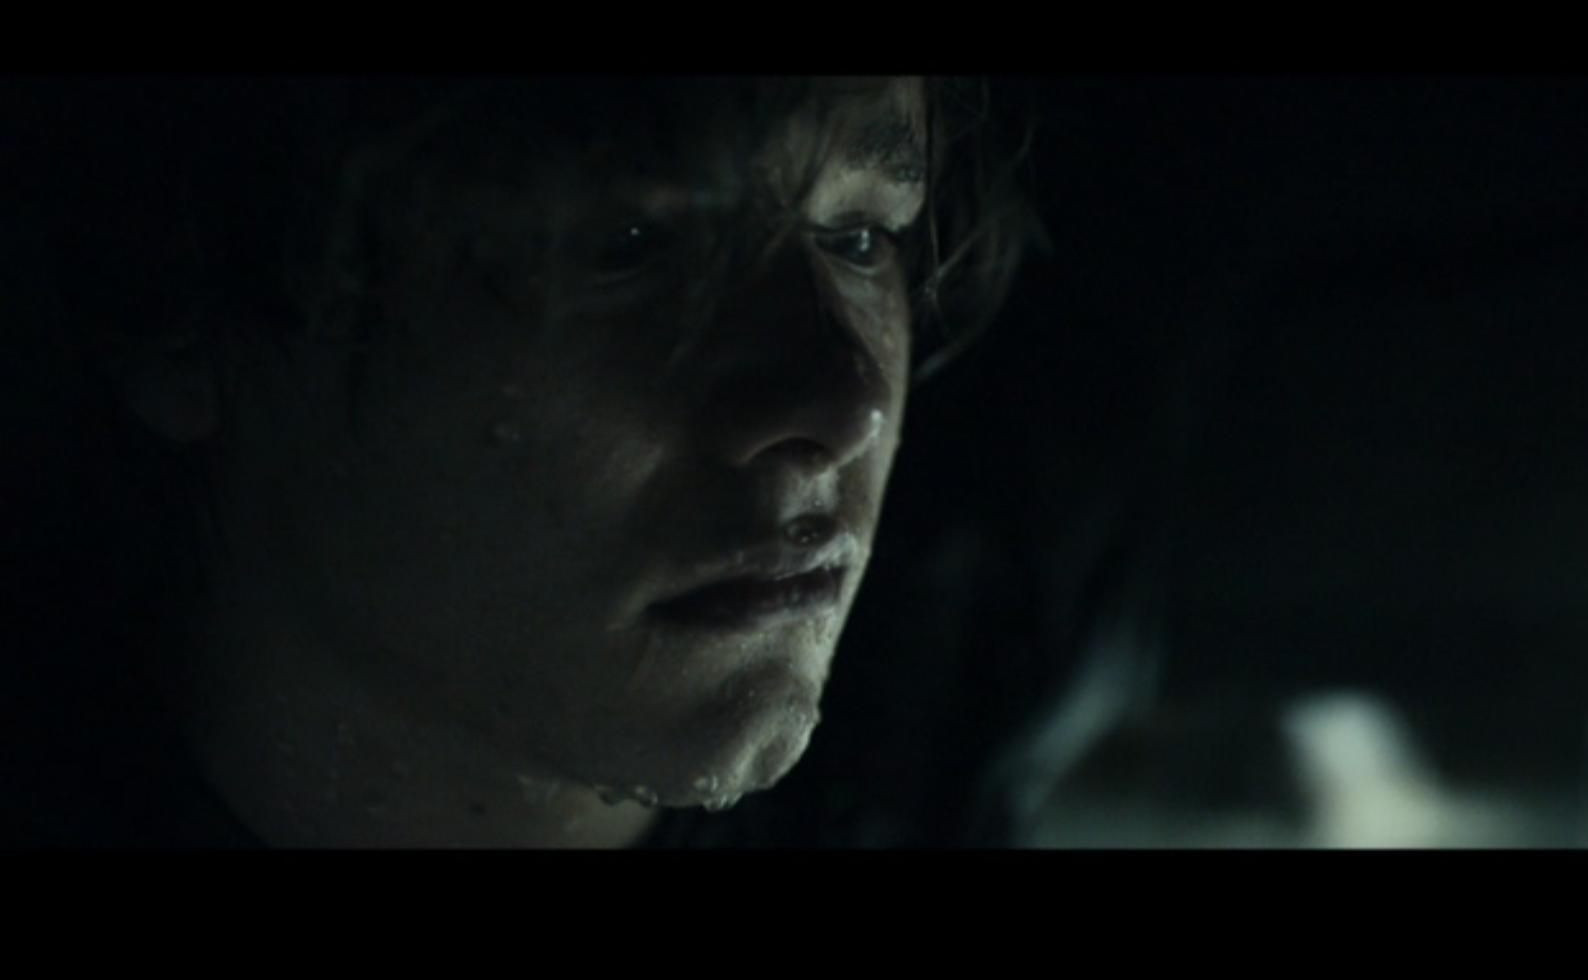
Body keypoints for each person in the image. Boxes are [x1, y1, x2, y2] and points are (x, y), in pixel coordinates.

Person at [4, 76, 1034, 847]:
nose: (849, 404)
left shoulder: (946, 726)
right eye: (630, 239)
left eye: (860, 236)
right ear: (178, 311)